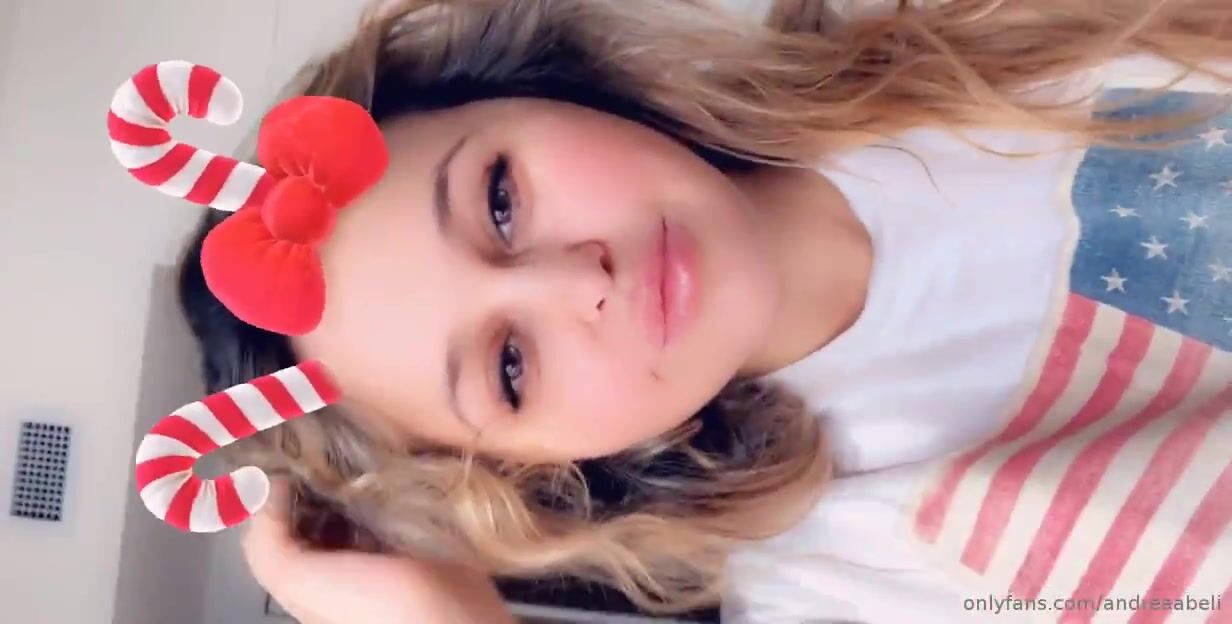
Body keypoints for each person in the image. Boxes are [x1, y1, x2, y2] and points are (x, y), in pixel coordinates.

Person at [174, 0, 1232, 622]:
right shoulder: (843, 583)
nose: (576, 282)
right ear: (539, 472)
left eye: (498, 201)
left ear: (534, 85)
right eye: (509, 367)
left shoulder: (952, 25)